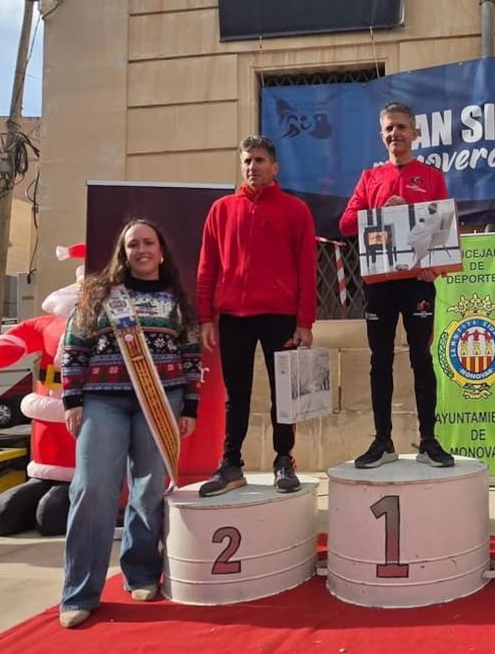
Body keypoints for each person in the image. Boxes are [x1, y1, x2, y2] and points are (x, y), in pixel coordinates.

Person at [59, 219, 201, 628]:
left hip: (161, 400)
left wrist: (190, 406)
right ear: (123, 253)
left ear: (161, 251)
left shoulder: (176, 301)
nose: (141, 250)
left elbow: (191, 357)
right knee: (91, 488)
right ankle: (79, 592)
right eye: (133, 244)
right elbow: (74, 346)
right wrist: (72, 399)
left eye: (148, 242)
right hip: (103, 401)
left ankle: (141, 572)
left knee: (148, 488)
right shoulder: (101, 295)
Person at [197, 135, 317, 495]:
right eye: (247, 160)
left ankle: (284, 460)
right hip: (234, 317)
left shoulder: (295, 210)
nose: (253, 166)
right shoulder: (221, 210)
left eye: (260, 160)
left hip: (280, 316)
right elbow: (207, 267)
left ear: (275, 167)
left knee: (284, 394)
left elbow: (307, 269)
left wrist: (304, 322)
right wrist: (205, 317)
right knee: (236, 396)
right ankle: (231, 464)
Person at [338, 101, 455, 469]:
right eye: (389, 128)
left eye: (401, 127)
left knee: (422, 359)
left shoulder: (431, 176)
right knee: (380, 361)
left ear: (414, 133)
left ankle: (428, 441)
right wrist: (379, 213)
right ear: (381, 135)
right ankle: (383, 441)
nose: (395, 134)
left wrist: (434, 267)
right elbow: (345, 225)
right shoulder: (370, 178)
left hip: (417, 283)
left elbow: (444, 228)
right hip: (380, 284)